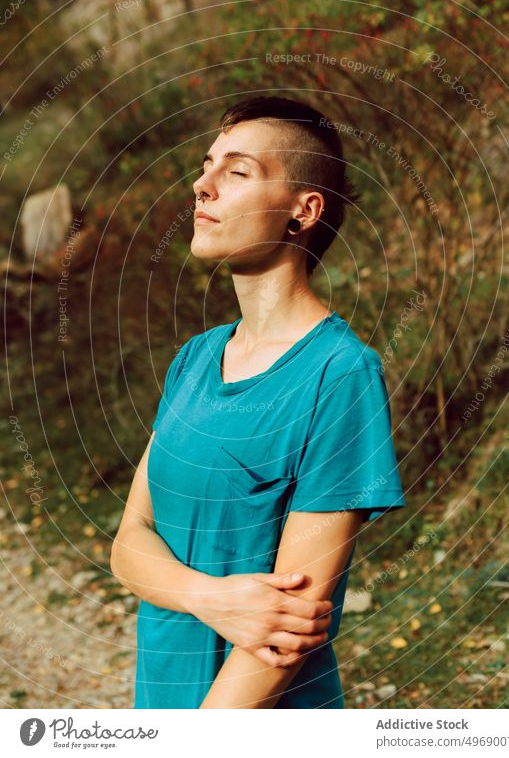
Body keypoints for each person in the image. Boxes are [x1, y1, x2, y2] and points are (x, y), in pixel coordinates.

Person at [111, 95, 406, 709]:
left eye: (236, 171)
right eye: (206, 165)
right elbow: (129, 544)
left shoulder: (340, 374)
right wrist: (209, 596)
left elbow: (291, 626)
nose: (202, 185)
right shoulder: (194, 361)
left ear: (303, 210)